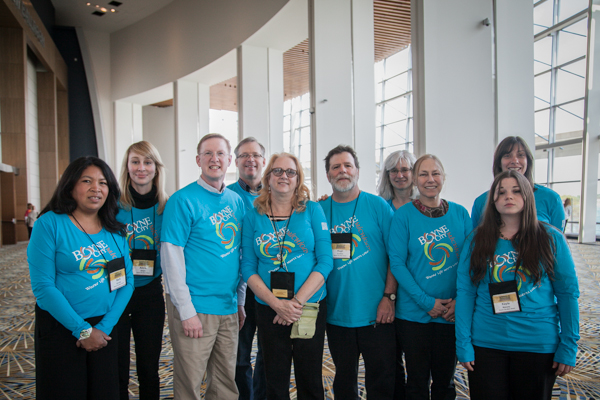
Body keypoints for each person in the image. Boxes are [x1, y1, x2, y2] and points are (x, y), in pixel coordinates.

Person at [456, 170, 580, 400]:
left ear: (527, 197)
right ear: (492, 200)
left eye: (515, 191)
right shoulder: (477, 239)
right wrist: (462, 343)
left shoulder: (550, 238)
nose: (508, 196)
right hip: (486, 344)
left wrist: (569, 345)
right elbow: (465, 292)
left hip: (537, 344)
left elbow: (567, 294)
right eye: (501, 192)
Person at [28, 156, 134, 399]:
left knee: (105, 392)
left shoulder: (115, 229)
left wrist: (103, 328)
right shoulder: (49, 224)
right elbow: (43, 287)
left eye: (103, 182)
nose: (96, 188)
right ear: (71, 186)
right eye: (87, 181)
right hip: (62, 326)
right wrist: (83, 331)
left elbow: (126, 283)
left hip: (104, 329)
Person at [241, 152, 333, 400]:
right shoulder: (253, 216)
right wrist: (277, 304)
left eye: (290, 172)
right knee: (275, 378)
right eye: (278, 171)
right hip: (269, 308)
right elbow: (248, 267)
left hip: (309, 305)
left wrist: (295, 304)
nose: (284, 176)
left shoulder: (312, 210)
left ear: (298, 179)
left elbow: (325, 261)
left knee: (310, 378)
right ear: (268, 177)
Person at [161, 133, 246, 400]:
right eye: (208, 154)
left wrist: (240, 302)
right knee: (190, 385)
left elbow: (239, 256)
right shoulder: (182, 200)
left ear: (230, 160)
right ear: (198, 160)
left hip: (228, 307)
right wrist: (186, 311)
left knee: (225, 384)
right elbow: (171, 259)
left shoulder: (235, 201)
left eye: (220, 153)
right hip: (195, 308)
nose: (214, 159)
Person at [388, 154, 471, 400]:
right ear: (415, 179)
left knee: (445, 382)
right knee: (416, 382)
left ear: (443, 177)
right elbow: (398, 264)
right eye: (423, 174)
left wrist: (458, 301)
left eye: (435, 173)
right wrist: (427, 303)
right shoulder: (403, 216)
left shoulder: (460, 213)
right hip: (414, 316)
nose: (430, 179)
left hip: (451, 313)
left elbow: (469, 263)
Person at [320, 145, 396, 399]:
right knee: (343, 381)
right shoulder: (318, 210)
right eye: (335, 167)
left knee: (381, 380)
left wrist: (389, 297)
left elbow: (395, 257)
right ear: (328, 175)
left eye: (347, 165)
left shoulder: (377, 206)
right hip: (337, 312)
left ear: (358, 171)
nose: (342, 171)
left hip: (377, 311)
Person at [116, 141, 168, 399]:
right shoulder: (112, 204)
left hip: (149, 293)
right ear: (127, 166)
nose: (141, 168)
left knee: (149, 367)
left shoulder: (167, 206)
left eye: (147, 162)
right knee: (117, 367)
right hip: (115, 291)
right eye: (135, 161)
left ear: (156, 168)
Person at [229, 137, 268, 400]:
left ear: (264, 161)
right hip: (236, 287)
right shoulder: (226, 194)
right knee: (239, 353)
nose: (250, 160)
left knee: (268, 351)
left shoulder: (277, 193)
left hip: (268, 285)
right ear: (236, 161)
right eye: (244, 155)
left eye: (255, 155)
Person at [471, 136, 564, 231]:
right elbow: (476, 240)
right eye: (507, 156)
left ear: (528, 161)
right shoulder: (481, 202)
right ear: (499, 162)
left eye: (521, 155)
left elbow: (558, 241)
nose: (515, 161)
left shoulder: (551, 198)